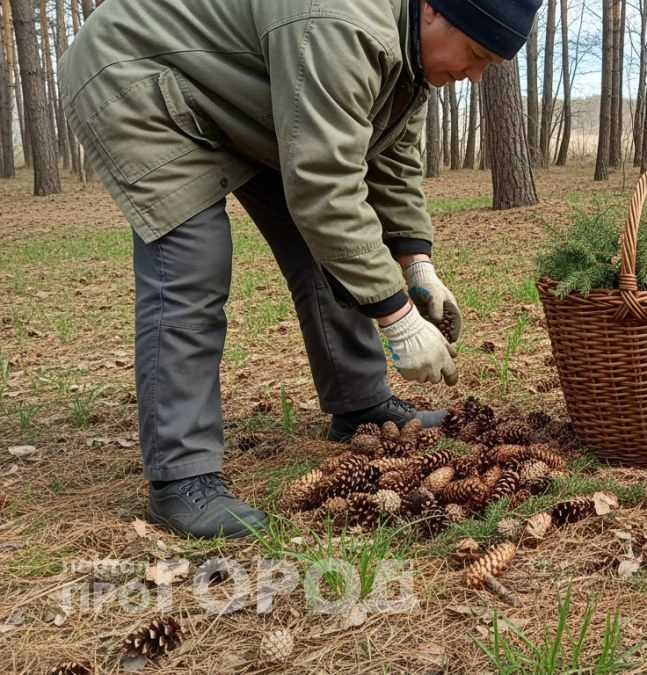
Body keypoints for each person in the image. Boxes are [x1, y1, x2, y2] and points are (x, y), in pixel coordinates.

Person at [58, 0, 541, 539]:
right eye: (475, 54)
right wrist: (398, 318)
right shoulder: (341, 24)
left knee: (331, 247)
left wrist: (417, 265)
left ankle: (362, 407)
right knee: (192, 265)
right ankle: (181, 477)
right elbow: (323, 190)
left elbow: (392, 162)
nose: (474, 76)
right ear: (431, 10)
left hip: (244, 97)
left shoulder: (410, 56)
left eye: (488, 66)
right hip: (141, 76)